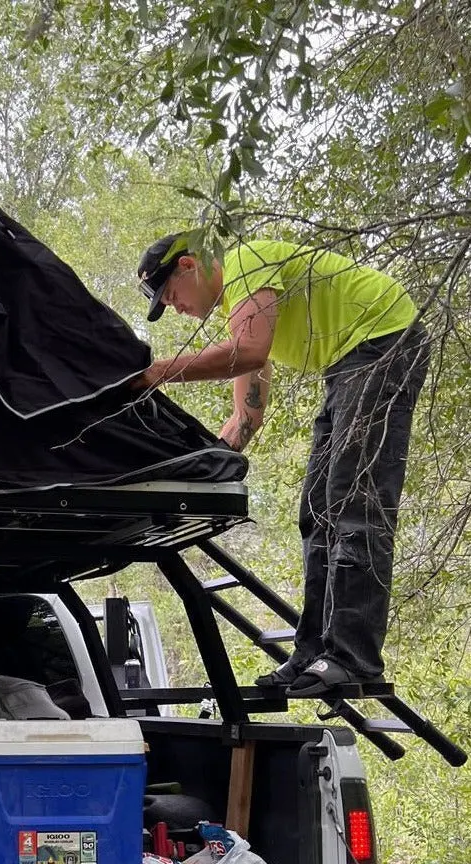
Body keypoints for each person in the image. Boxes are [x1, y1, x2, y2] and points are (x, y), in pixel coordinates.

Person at [135, 234, 429, 696]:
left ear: (188, 265)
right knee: (316, 512)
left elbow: (247, 354)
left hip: (384, 342)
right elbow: (246, 416)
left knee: (353, 504)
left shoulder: (246, 263)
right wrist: (204, 473)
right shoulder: (243, 305)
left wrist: (155, 373)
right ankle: (314, 653)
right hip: (350, 363)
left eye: (171, 297)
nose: (177, 309)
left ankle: (353, 659)